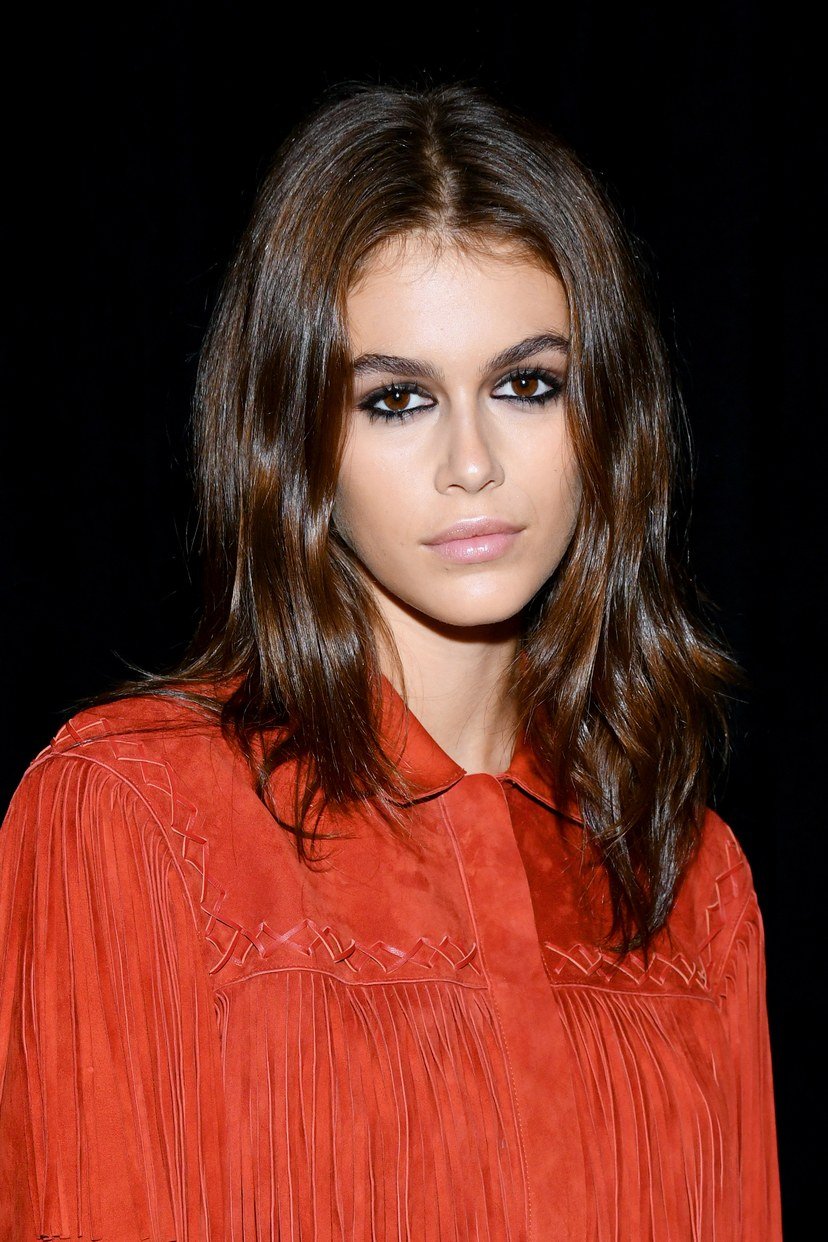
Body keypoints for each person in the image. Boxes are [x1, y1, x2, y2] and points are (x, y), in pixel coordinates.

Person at [0, 80, 782, 1240]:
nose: (472, 461)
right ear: (295, 438)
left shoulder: (690, 878)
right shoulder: (131, 816)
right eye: (397, 399)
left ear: (607, 420)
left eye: (527, 385)